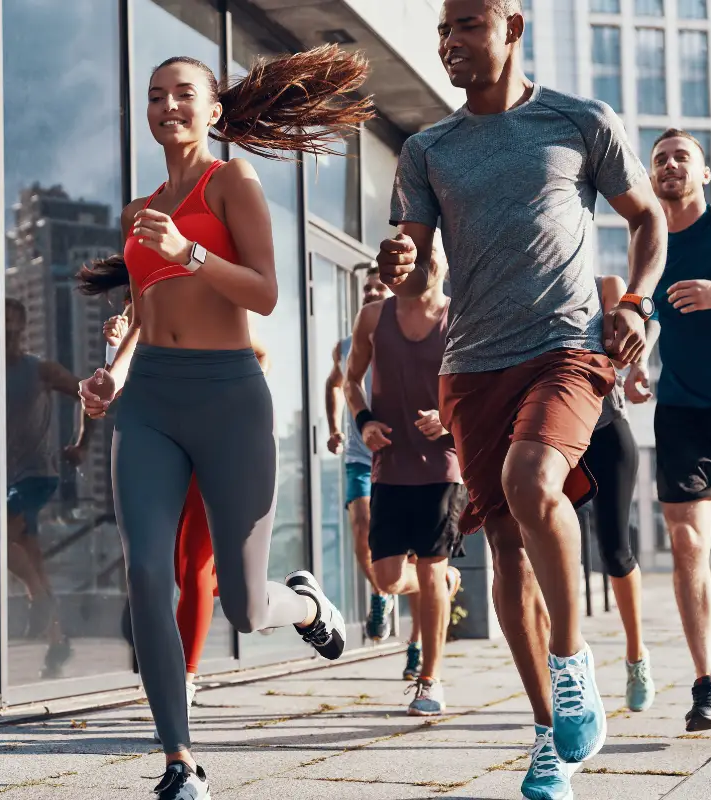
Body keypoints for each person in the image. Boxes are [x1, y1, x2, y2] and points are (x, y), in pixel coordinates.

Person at [377, 2, 667, 797]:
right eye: (442, 29)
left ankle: (574, 669)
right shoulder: (427, 149)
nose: (448, 42)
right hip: (470, 366)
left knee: (531, 480)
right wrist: (400, 255)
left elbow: (646, 221)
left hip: (566, 349)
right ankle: (548, 734)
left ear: (513, 27)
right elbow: (415, 261)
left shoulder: (581, 121)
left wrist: (636, 303)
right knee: (504, 551)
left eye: (466, 24)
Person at [78, 46, 373, 800]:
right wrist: (115, 369)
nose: (166, 106)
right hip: (150, 404)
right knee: (148, 569)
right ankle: (180, 760)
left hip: (229, 399)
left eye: (182, 94)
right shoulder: (135, 212)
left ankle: (304, 602)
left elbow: (268, 293)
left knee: (241, 603)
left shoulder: (231, 180)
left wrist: (191, 252)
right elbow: (147, 309)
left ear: (213, 110)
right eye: (154, 96)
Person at [80, 254, 269, 738]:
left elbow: (257, 354)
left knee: (199, 572)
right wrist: (113, 357)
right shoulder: (134, 321)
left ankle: (185, 675)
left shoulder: (202, 304)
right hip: (162, 454)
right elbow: (121, 392)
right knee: (168, 569)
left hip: (219, 446)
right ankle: (178, 688)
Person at [625, 127, 711, 732]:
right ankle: (708, 685)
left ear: (703, 172)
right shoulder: (647, 239)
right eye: (659, 159)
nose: (669, 165)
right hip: (681, 408)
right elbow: (649, 310)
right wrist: (639, 363)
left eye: (681, 157)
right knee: (687, 544)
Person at [345, 241, 463, 716]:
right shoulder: (374, 317)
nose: (429, 261)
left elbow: (480, 386)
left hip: (442, 464)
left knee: (430, 570)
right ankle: (446, 581)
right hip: (389, 465)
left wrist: (450, 418)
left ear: (447, 259)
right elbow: (350, 380)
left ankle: (429, 681)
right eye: (422, 252)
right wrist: (364, 421)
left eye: (437, 250)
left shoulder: (461, 318)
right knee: (388, 578)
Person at [0, 298, 91, 678]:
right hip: (11, 481)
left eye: (16, 324)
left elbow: (88, 393)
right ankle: (57, 644)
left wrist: (81, 444)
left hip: (39, 476)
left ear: (24, 328)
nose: (10, 330)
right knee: (32, 558)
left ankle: (38, 600)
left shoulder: (40, 370)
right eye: (4, 324)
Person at [325, 265, 423, 674]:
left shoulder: (410, 333)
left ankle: (417, 643)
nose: (370, 292)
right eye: (366, 288)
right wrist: (335, 427)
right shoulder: (346, 345)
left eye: (377, 286)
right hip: (362, 457)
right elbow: (336, 383)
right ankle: (383, 593)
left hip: (410, 459)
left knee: (420, 556)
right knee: (362, 528)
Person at [586, 274, 655, 712]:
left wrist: (638, 372)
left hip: (606, 433)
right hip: (547, 438)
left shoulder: (605, 287)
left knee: (614, 550)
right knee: (537, 552)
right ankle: (566, 666)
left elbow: (633, 338)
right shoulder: (523, 289)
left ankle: (636, 655)